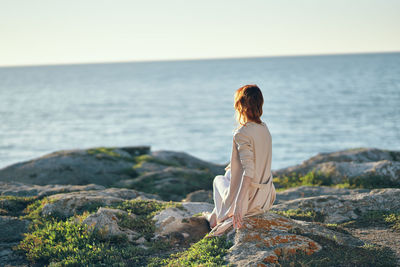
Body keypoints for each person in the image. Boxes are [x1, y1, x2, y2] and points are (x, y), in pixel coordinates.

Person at [203, 84, 276, 237]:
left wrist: (238, 205)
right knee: (229, 175)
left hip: (249, 200)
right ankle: (216, 215)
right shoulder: (264, 128)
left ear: (240, 106)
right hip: (264, 196)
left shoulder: (242, 133)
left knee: (218, 179)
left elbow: (249, 171)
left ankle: (214, 219)